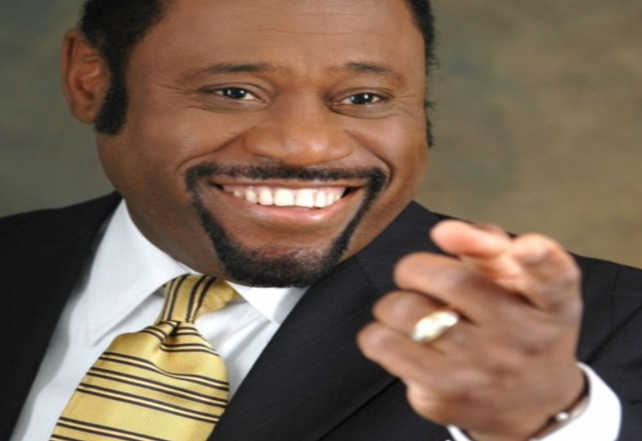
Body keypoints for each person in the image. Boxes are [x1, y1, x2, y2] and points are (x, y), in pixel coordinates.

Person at [1, 0, 640, 440]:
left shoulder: (606, 327)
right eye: (233, 92)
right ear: (90, 79)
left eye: (363, 98)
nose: (306, 147)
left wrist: (543, 423)